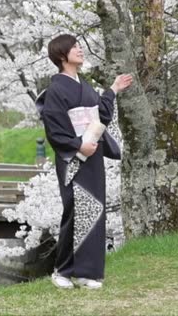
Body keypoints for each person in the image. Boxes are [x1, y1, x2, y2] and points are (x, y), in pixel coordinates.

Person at [36, 34, 132, 290]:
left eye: (79, 46)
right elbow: (55, 130)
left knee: (94, 209)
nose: (80, 50)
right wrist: (79, 145)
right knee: (76, 210)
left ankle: (87, 273)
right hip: (74, 157)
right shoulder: (56, 89)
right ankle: (62, 271)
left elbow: (100, 114)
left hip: (93, 155)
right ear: (61, 55)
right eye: (74, 47)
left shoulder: (84, 85)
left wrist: (113, 90)